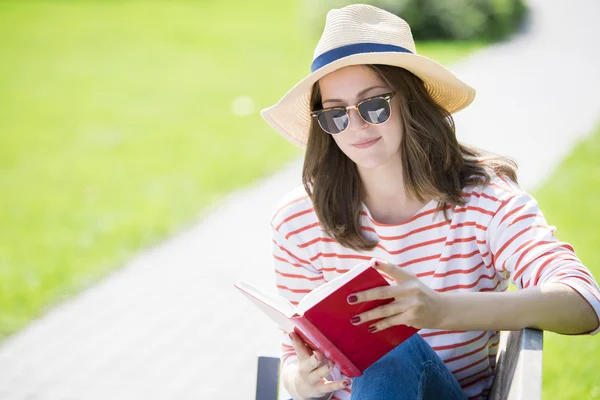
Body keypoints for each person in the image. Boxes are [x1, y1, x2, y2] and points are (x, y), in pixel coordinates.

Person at [260, 4, 600, 400]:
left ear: (411, 102)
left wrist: (438, 309)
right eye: (335, 114)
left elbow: (584, 302)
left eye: (374, 105)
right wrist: (302, 381)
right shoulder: (298, 219)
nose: (356, 126)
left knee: (387, 349)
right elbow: (291, 357)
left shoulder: (484, 201)